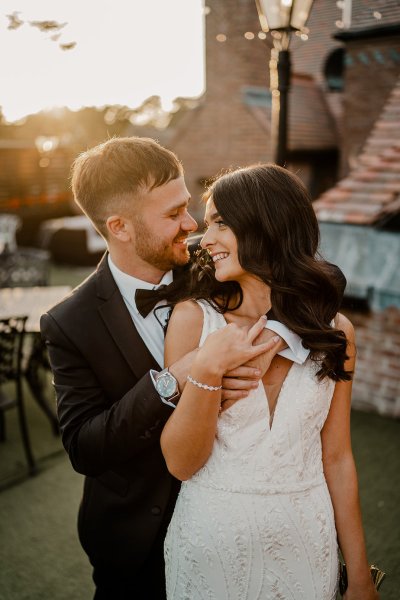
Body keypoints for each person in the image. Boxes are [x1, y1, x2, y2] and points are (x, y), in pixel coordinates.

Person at [40, 137, 284, 599]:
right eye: (172, 216)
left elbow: (295, 271)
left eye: (186, 207)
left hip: (228, 524)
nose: (191, 225)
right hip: (134, 541)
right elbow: (84, 447)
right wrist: (174, 380)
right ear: (120, 227)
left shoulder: (219, 263)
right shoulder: (69, 322)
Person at [161, 164, 380, 600]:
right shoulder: (193, 321)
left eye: (221, 223)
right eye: (208, 226)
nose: (206, 241)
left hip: (307, 544)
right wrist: (207, 369)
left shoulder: (335, 333)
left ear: (268, 225)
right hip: (211, 548)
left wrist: (358, 574)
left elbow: (336, 459)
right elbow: (182, 463)